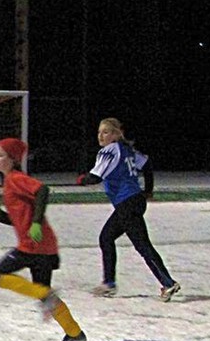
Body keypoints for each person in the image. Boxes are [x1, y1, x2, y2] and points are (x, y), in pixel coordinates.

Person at [0, 138, 87, 341]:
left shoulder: (15, 178)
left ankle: (46, 295)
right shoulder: (9, 182)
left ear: (13, 159)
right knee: (45, 295)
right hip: (44, 245)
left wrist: (36, 223)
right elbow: (18, 219)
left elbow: (43, 190)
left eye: (1, 155)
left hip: (33, 244)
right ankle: (74, 333)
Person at [76, 117, 180, 301]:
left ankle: (167, 282)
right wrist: (148, 191)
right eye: (99, 132)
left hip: (127, 203)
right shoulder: (127, 150)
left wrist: (81, 179)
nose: (101, 136)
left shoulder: (108, 151)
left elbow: (95, 177)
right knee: (106, 237)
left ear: (116, 134)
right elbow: (146, 165)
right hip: (135, 201)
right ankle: (109, 283)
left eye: (106, 132)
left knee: (142, 245)